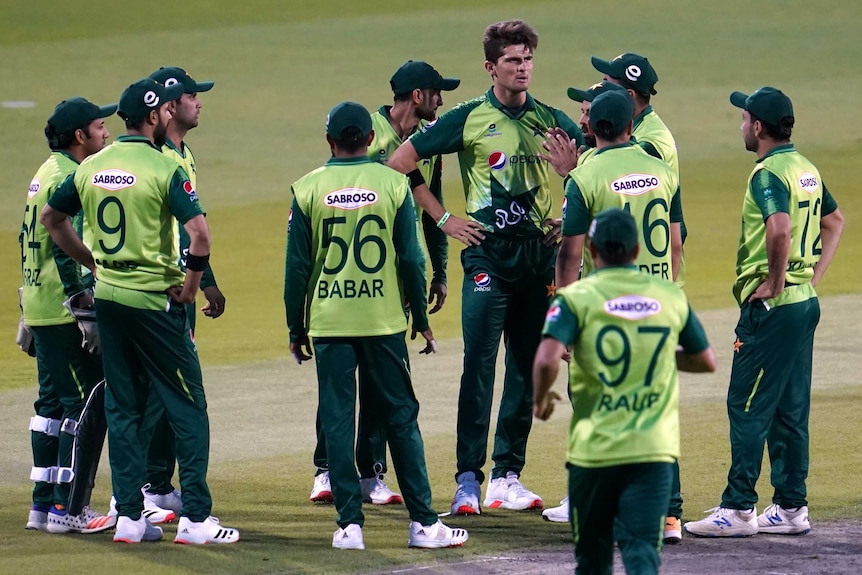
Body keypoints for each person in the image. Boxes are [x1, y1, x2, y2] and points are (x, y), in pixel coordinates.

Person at [388, 19, 584, 516]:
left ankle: (506, 477)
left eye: (528, 60)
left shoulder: (552, 120)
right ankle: (467, 481)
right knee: (478, 364)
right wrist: (444, 217)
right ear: (491, 66)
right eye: (513, 60)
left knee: (526, 365)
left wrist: (571, 201)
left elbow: (594, 169)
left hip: (537, 258)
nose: (523, 69)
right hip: (487, 257)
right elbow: (399, 162)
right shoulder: (468, 117)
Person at [41, 78, 240, 545]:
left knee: (123, 408)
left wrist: (91, 261)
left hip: (109, 300)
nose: (171, 115)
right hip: (155, 302)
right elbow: (200, 236)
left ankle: (130, 517)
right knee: (189, 405)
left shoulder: (92, 166)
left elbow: (53, 219)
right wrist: (191, 287)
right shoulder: (164, 166)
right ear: (153, 117)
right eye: (165, 112)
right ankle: (195, 520)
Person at [284, 101, 468, 550]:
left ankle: (349, 526)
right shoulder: (393, 184)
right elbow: (411, 256)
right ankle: (424, 524)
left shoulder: (307, 188)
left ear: (329, 141)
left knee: (337, 420)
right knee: (401, 418)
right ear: (370, 139)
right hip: (383, 321)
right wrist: (421, 320)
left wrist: (296, 327)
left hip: (329, 322)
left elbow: (297, 269)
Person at [684, 87, 844, 538]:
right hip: (803, 305)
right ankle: (792, 507)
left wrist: (776, 280)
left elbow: (779, 228)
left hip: (772, 309)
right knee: (789, 408)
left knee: (747, 404)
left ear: (757, 126)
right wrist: (808, 277)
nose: (741, 127)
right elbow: (836, 221)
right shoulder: (806, 168)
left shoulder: (768, 174)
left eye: (744, 119)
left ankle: (737, 508)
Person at [533, 207, 716, 575]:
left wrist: (540, 399)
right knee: (642, 554)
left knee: (592, 559)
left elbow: (546, 359)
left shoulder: (575, 298)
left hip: (594, 454)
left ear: (593, 250)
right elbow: (706, 360)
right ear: (635, 252)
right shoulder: (669, 296)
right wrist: (659, 353)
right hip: (652, 452)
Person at [309, 60, 459, 507]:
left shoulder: (426, 145)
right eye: (436, 93)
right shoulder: (364, 130)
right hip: (353, 278)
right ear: (417, 96)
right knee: (339, 385)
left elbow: (433, 209)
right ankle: (325, 471)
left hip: (394, 281)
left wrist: (440, 270)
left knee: (381, 384)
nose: (441, 100)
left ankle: (372, 473)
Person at [543, 87, 682, 526]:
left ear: (592, 128)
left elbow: (569, 254)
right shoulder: (661, 171)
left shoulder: (585, 176)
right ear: (629, 126)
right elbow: (676, 242)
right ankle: (668, 515)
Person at [112, 65, 223, 521]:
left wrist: (207, 282)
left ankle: (155, 483)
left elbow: (189, 228)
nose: (200, 102)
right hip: (162, 290)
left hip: (181, 282)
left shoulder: (182, 152)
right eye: (194, 96)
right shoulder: (159, 160)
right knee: (163, 391)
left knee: (158, 391)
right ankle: (144, 487)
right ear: (169, 106)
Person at [591, 51, 691, 543]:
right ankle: (666, 514)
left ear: (627, 99)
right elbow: (674, 237)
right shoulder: (648, 150)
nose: (596, 92)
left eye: (605, 86)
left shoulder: (649, 147)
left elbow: (611, 216)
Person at [19, 97, 117, 534]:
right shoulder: (72, 175)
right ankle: (67, 509)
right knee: (85, 404)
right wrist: (83, 305)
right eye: (100, 126)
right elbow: (63, 246)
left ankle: (42, 507)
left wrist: (26, 304)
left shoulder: (44, 172)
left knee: (51, 407)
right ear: (80, 136)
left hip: (40, 305)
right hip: (64, 311)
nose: (107, 133)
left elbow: (30, 241)